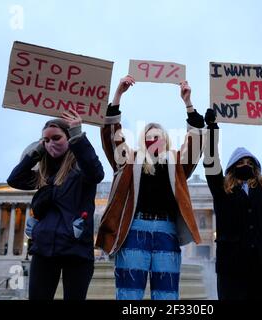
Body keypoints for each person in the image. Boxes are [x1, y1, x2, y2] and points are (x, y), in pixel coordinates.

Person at [95, 75, 205, 300]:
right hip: (134, 229)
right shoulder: (129, 161)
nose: (153, 141)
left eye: (158, 137)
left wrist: (188, 103)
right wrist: (117, 95)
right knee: (128, 294)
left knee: (166, 294)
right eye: (148, 137)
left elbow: (196, 144)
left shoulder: (177, 163)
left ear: (166, 140)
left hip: (167, 231)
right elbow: (110, 138)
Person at [7, 109, 104, 300]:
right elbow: (15, 180)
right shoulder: (44, 175)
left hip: (76, 249)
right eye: (46, 140)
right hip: (44, 248)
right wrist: (38, 150)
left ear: (69, 138)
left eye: (56, 138)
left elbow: (96, 173)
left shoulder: (81, 171)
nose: (51, 143)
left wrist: (77, 135)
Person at [202, 108, 262, 300]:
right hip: (232, 267)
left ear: (255, 166)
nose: (245, 165)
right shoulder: (221, 190)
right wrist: (211, 128)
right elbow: (211, 163)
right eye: (240, 162)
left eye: (249, 162)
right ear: (231, 167)